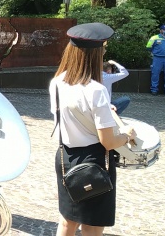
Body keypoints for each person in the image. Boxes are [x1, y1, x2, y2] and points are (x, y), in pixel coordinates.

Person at [50, 23, 136, 236]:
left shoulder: (58, 82)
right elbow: (108, 141)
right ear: (95, 54)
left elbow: (68, 116)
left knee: (67, 221)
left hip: (65, 156)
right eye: (103, 50)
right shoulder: (96, 90)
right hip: (94, 160)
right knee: (92, 226)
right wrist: (126, 135)